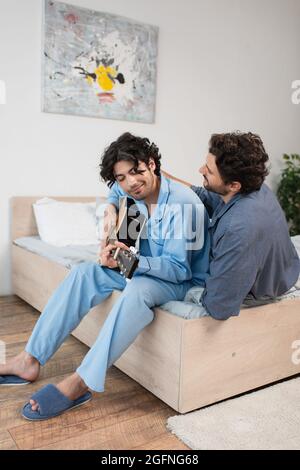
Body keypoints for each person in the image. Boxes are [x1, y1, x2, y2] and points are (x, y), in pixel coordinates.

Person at [0, 132, 210, 420]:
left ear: (152, 165)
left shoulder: (182, 204)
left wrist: (131, 262)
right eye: (122, 177)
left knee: (137, 291)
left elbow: (178, 269)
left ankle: (80, 382)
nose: (130, 182)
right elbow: (116, 196)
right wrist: (113, 241)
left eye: (136, 171)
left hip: (180, 281)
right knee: (85, 272)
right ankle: (29, 359)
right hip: (143, 267)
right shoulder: (132, 195)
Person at [163, 132, 300, 320]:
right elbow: (206, 197)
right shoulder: (253, 185)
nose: (200, 169)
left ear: (234, 185)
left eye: (209, 171)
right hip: (286, 267)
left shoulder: (237, 228)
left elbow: (219, 307)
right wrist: (162, 179)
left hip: (265, 291)